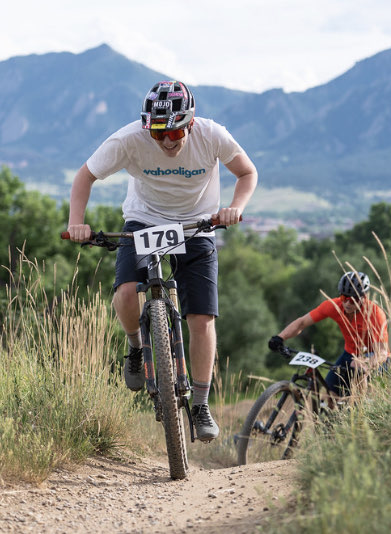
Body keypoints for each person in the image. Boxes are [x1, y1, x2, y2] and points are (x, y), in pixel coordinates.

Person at [66, 81, 258, 442]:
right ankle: (136, 347)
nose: (167, 140)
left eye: (175, 131)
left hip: (196, 225)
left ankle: (200, 404)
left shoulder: (213, 135)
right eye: (158, 133)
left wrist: (235, 208)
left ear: (190, 122)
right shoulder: (128, 140)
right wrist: (76, 222)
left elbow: (247, 173)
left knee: (201, 319)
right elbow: (85, 176)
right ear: (146, 127)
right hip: (144, 220)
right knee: (125, 294)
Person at [268, 271, 390, 397]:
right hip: (349, 353)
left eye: (353, 300)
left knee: (357, 366)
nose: (347, 303)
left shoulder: (375, 314)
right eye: (344, 298)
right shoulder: (333, 306)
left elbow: (382, 352)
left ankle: (361, 412)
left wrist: (366, 364)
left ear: (364, 297)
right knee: (329, 397)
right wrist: (280, 337)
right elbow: (302, 323)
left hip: (373, 356)